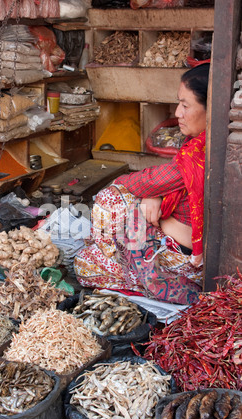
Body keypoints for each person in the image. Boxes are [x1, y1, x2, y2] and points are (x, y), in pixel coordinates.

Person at [74, 63, 210, 305]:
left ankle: (153, 281)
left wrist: (146, 191)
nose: (177, 112)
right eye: (178, 103)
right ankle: (127, 263)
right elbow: (155, 184)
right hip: (174, 244)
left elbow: (141, 182)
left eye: (185, 105)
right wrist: (153, 195)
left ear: (211, 110)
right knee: (131, 206)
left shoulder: (200, 155)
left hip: (182, 260)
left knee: (85, 261)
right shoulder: (205, 145)